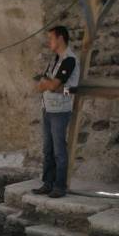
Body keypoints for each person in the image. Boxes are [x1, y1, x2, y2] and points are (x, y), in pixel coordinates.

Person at [32, 25, 79, 200]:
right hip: (48, 108)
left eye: (51, 38)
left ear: (60, 39)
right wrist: (49, 85)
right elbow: (44, 82)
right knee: (48, 149)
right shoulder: (55, 59)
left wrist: (51, 85)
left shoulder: (69, 60)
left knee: (59, 150)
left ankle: (60, 186)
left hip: (60, 110)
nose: (48, 41)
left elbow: (54, 85)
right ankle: (48, 183)